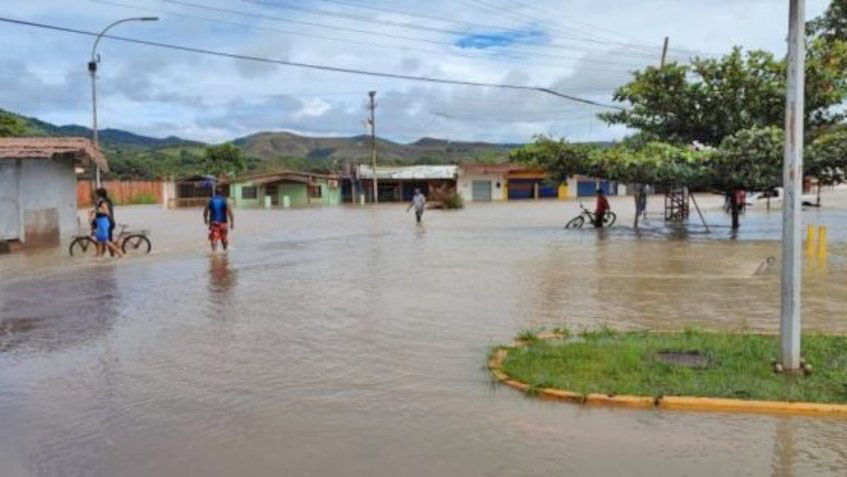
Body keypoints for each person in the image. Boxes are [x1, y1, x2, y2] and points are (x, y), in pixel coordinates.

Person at [203, 186, 234, 252]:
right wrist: (232, 223)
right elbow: (230, 212)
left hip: (214, 222)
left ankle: (214, 252)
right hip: (223, 223)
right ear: (222, 193)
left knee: (214, 238)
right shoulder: (226, 200)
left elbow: (205, 211)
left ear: (215, 193)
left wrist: (205, 219)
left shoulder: (210, 200)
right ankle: (225, 251)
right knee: (224, 238)